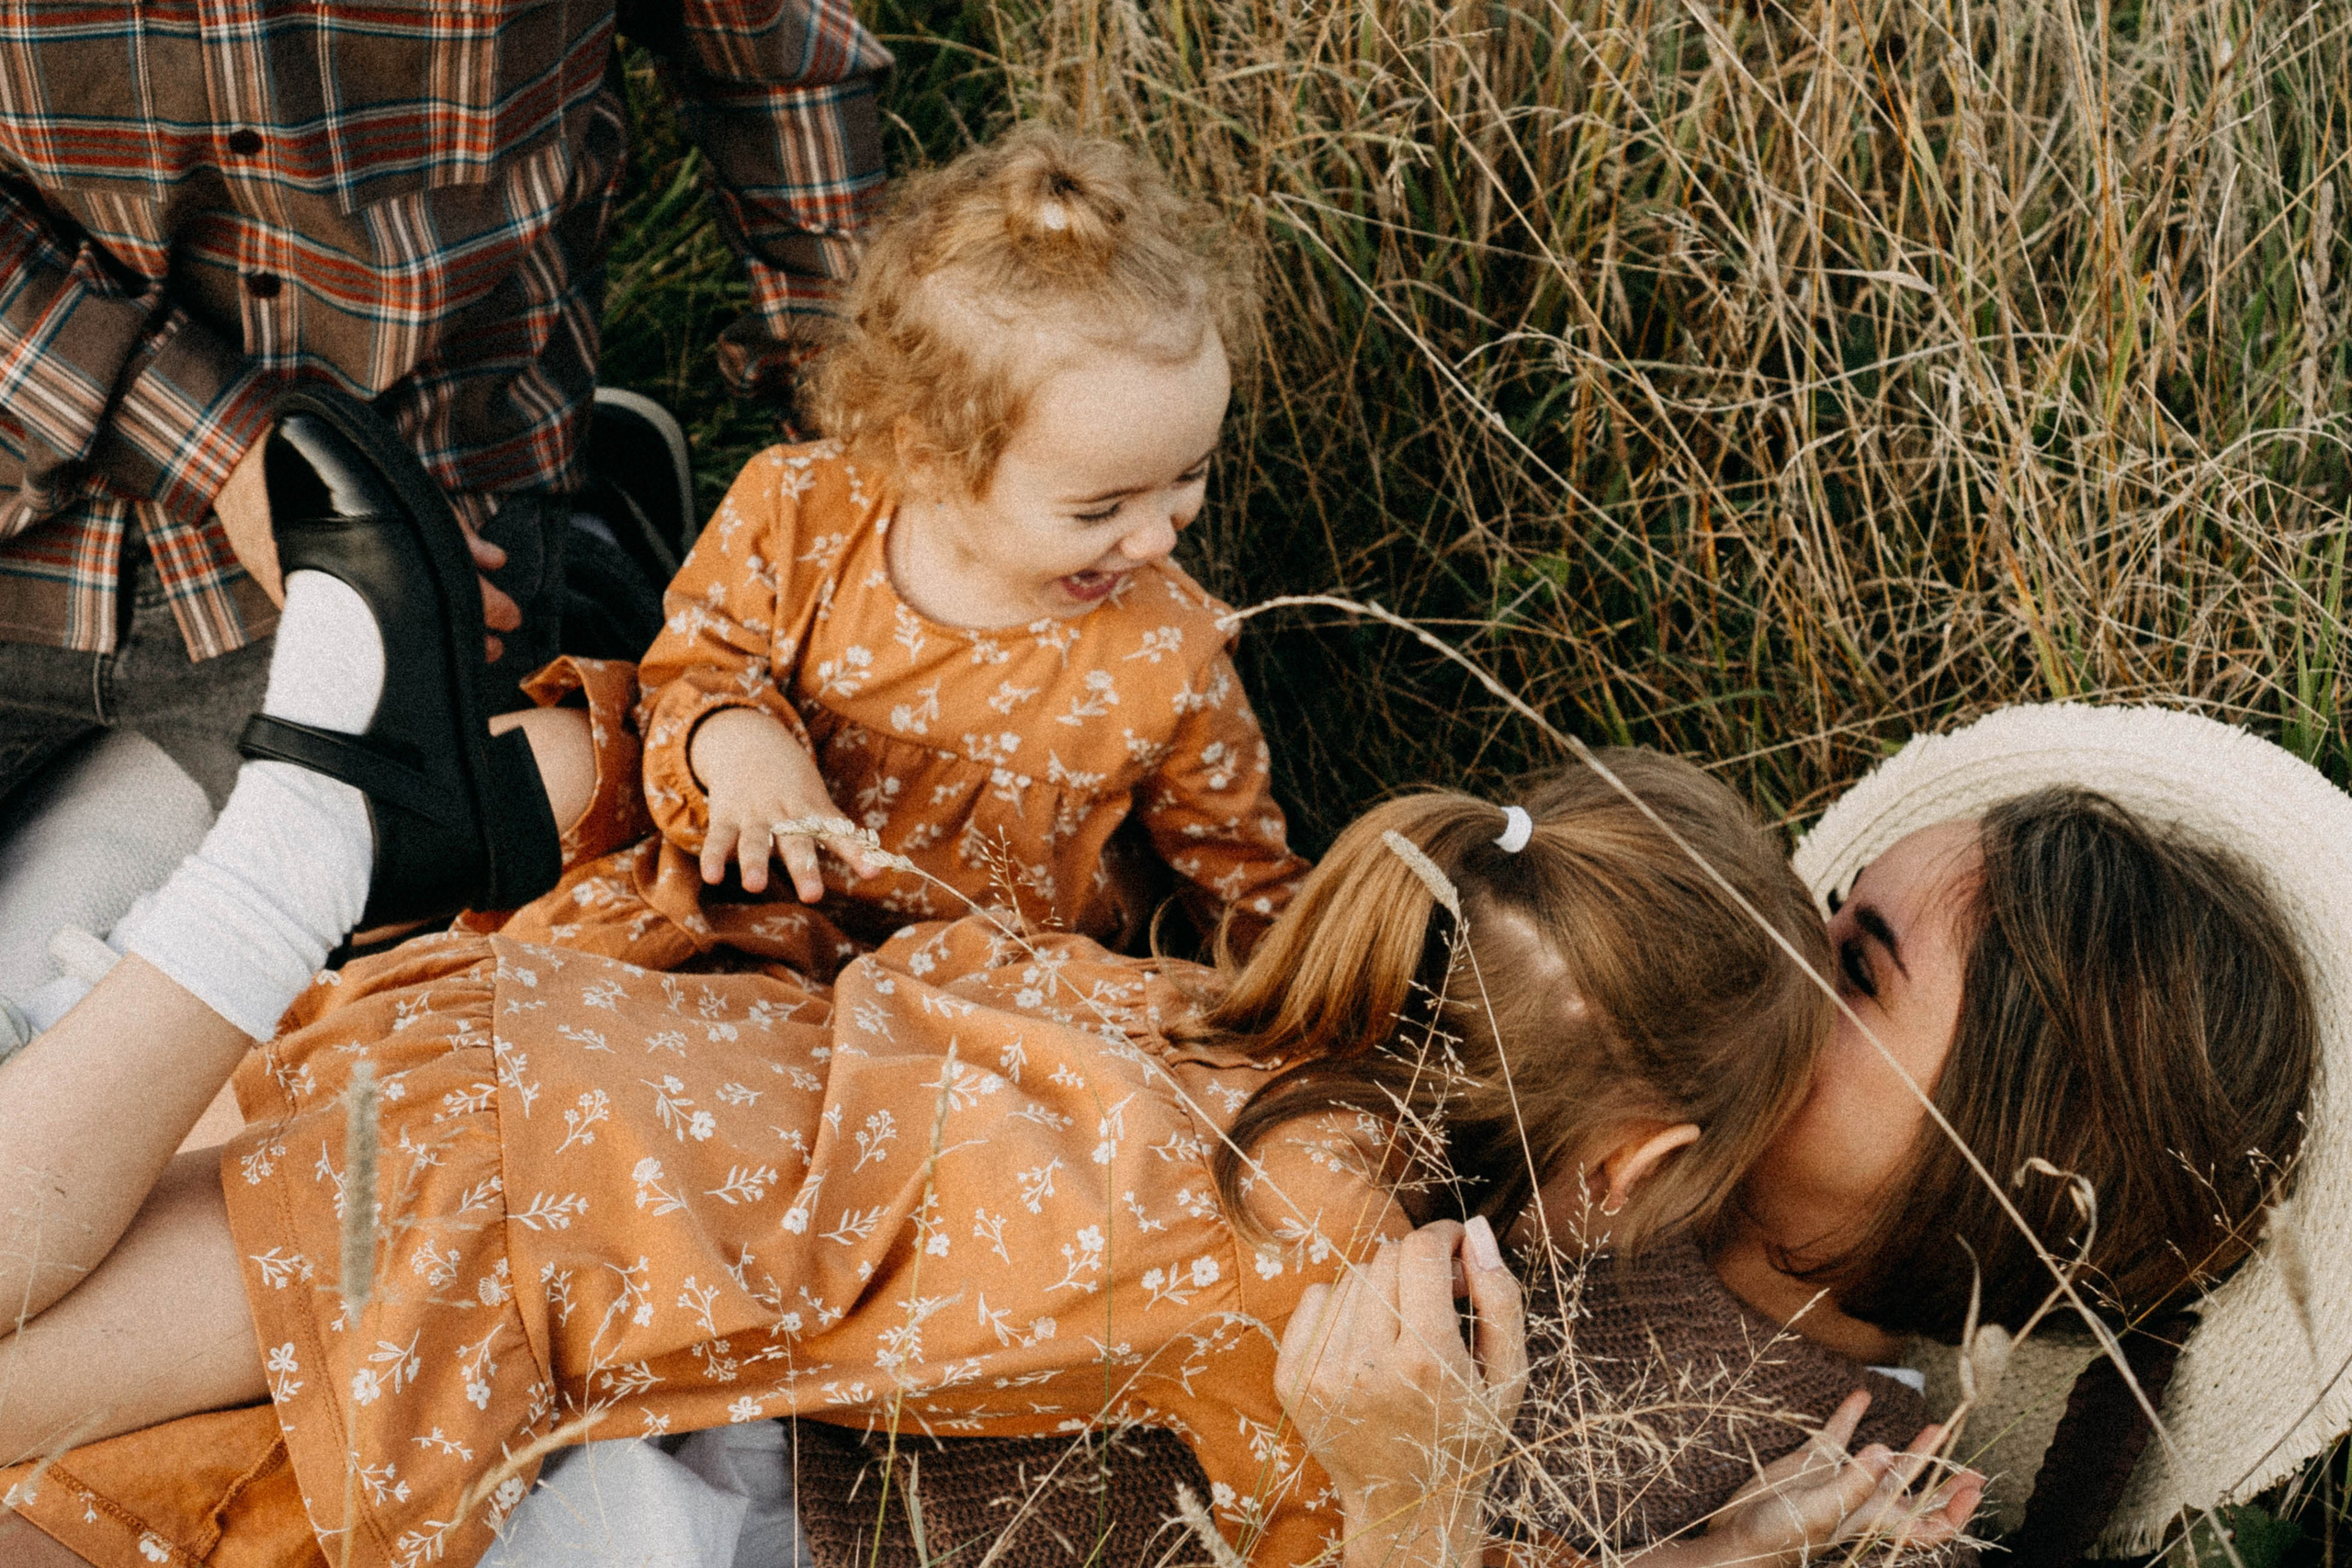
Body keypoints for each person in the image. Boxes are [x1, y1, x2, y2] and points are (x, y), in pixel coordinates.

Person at [0, 400, 1853, 1566]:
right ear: (1621, 1165)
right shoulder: (1315, 1257)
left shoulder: (1187, 992)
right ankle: (318, 813)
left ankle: (335, 826)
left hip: (559, 1039)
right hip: (525, 1216)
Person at [1298, 704, 2341, 1563]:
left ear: (1996, 1160)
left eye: (1853, 970)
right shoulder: (1569, 1083)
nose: (1770, 944)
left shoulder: (1852, 1516)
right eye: (1827, 907)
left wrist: (1407, 1520)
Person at [0, 0, 893, 996]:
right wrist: (228, 452)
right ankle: (606, 567)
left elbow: (775, 61)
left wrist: (874, 436)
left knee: (193, 997)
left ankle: (588, 583)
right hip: (24, 502)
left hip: (432, 515)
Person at [477, 124, 1310, 983]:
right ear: (927, 459)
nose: (1157, 536)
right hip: (740, 904)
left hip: (962, 1005)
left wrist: (1327, 994)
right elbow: (693, 667)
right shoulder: (799, 511)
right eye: (1099, 508)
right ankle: (370, 886)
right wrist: (732, 736)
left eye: (1188, 476)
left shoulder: (1166, 659)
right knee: (535, 761)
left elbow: (1242, 881)